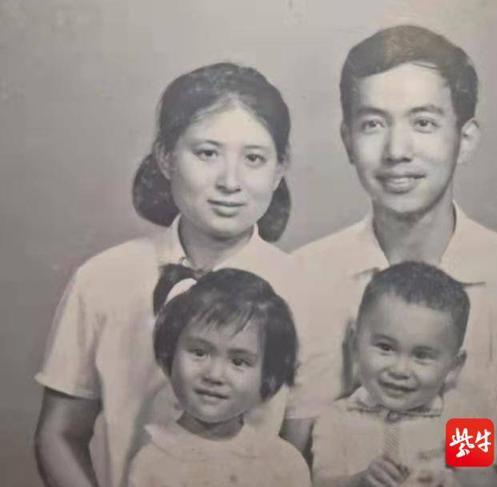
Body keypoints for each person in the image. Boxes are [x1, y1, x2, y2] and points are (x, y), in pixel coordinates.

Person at [288, 25, 497, 485]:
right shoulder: (299, 280)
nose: (397, 151)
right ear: (347, 139)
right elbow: (275, 463)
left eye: (423, 123)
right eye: (373, 124)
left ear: (466, 138)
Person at [34, 62, 309, 487]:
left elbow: (303, 452)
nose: (230, 181)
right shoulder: (102, 279)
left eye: (254, 158)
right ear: (165, 157)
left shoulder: (306, 290)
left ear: (279, 169)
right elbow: (59, 434)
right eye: (207, 153)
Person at [312, 262, 497, 487]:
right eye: (385, 348)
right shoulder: (336, 419)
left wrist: (453, 481)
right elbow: (321, 483)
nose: (400, 370)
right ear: (355, 344)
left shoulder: (462, 417)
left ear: (453, 367)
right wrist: (359, 482)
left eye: (421, 356)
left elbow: (486, 483)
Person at [127, 267, 310, 487]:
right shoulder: (151, 464)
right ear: (170, 352)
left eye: (238, 362)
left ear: (267, 375)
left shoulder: (284, 464)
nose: (214, 375)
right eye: (199, 353)